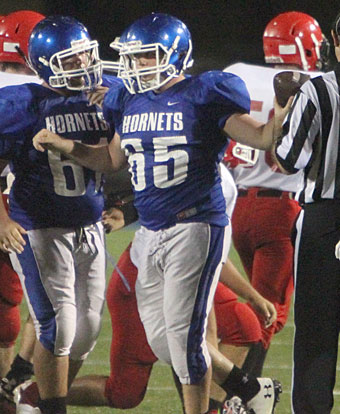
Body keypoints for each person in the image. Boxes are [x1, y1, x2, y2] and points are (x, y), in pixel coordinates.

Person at [32, 13, 289, 414]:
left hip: (195, 222)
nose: (136, 66)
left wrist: (281, 115)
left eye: (146, 57)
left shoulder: (204, 92)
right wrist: (68, 147)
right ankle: (248, 390)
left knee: (186, 341)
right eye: (133, 58)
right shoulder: (128, 100)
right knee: (165, 343)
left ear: (173, 56)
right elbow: (112, 159)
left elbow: (258, 136)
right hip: (151, 231)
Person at [0, 15, 115, 414]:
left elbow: (126, 154)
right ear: (48, 63)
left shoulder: (107, 93)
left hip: (89, 228)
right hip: (39, 228)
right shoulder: (20, 104)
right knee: (58, 326)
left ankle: (28, 398)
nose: (84, 65)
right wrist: (2, 219)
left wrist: (120, 207)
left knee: (86, 331)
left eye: (86, 55)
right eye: (72, 59)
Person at [223, 11, 327, 376]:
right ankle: (233, 392)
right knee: (266, 313)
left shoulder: (238, 73)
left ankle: (239, 391)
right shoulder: (314, 83)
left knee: (258, 306)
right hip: (281, 209)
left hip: (239, 208)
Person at [272, 11, 340, 413]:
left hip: (323, 222)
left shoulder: (318, 91)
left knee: (315, 336)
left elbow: (288, 159)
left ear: (333, 36)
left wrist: (284, 113)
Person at [0, 10, 45, 409]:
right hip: (19, 211)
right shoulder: (31, 94)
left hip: (14, 209)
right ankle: (13, 384)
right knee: (46, 307)